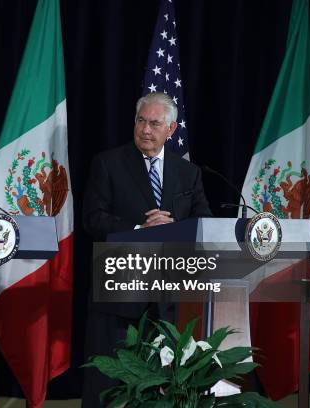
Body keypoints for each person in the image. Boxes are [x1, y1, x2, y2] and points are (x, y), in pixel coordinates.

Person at [81, 92, 212, 407]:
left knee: (164, 388)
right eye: (141, 121)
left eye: (155, 123)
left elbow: (205, 223)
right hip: (119, 292)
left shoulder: (188, 172)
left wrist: (174, 225)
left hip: (169, 299)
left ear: (171, 129)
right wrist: (140, 229)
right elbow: (92, 219)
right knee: (109, 385)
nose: (146, 130)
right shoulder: (108, 163)